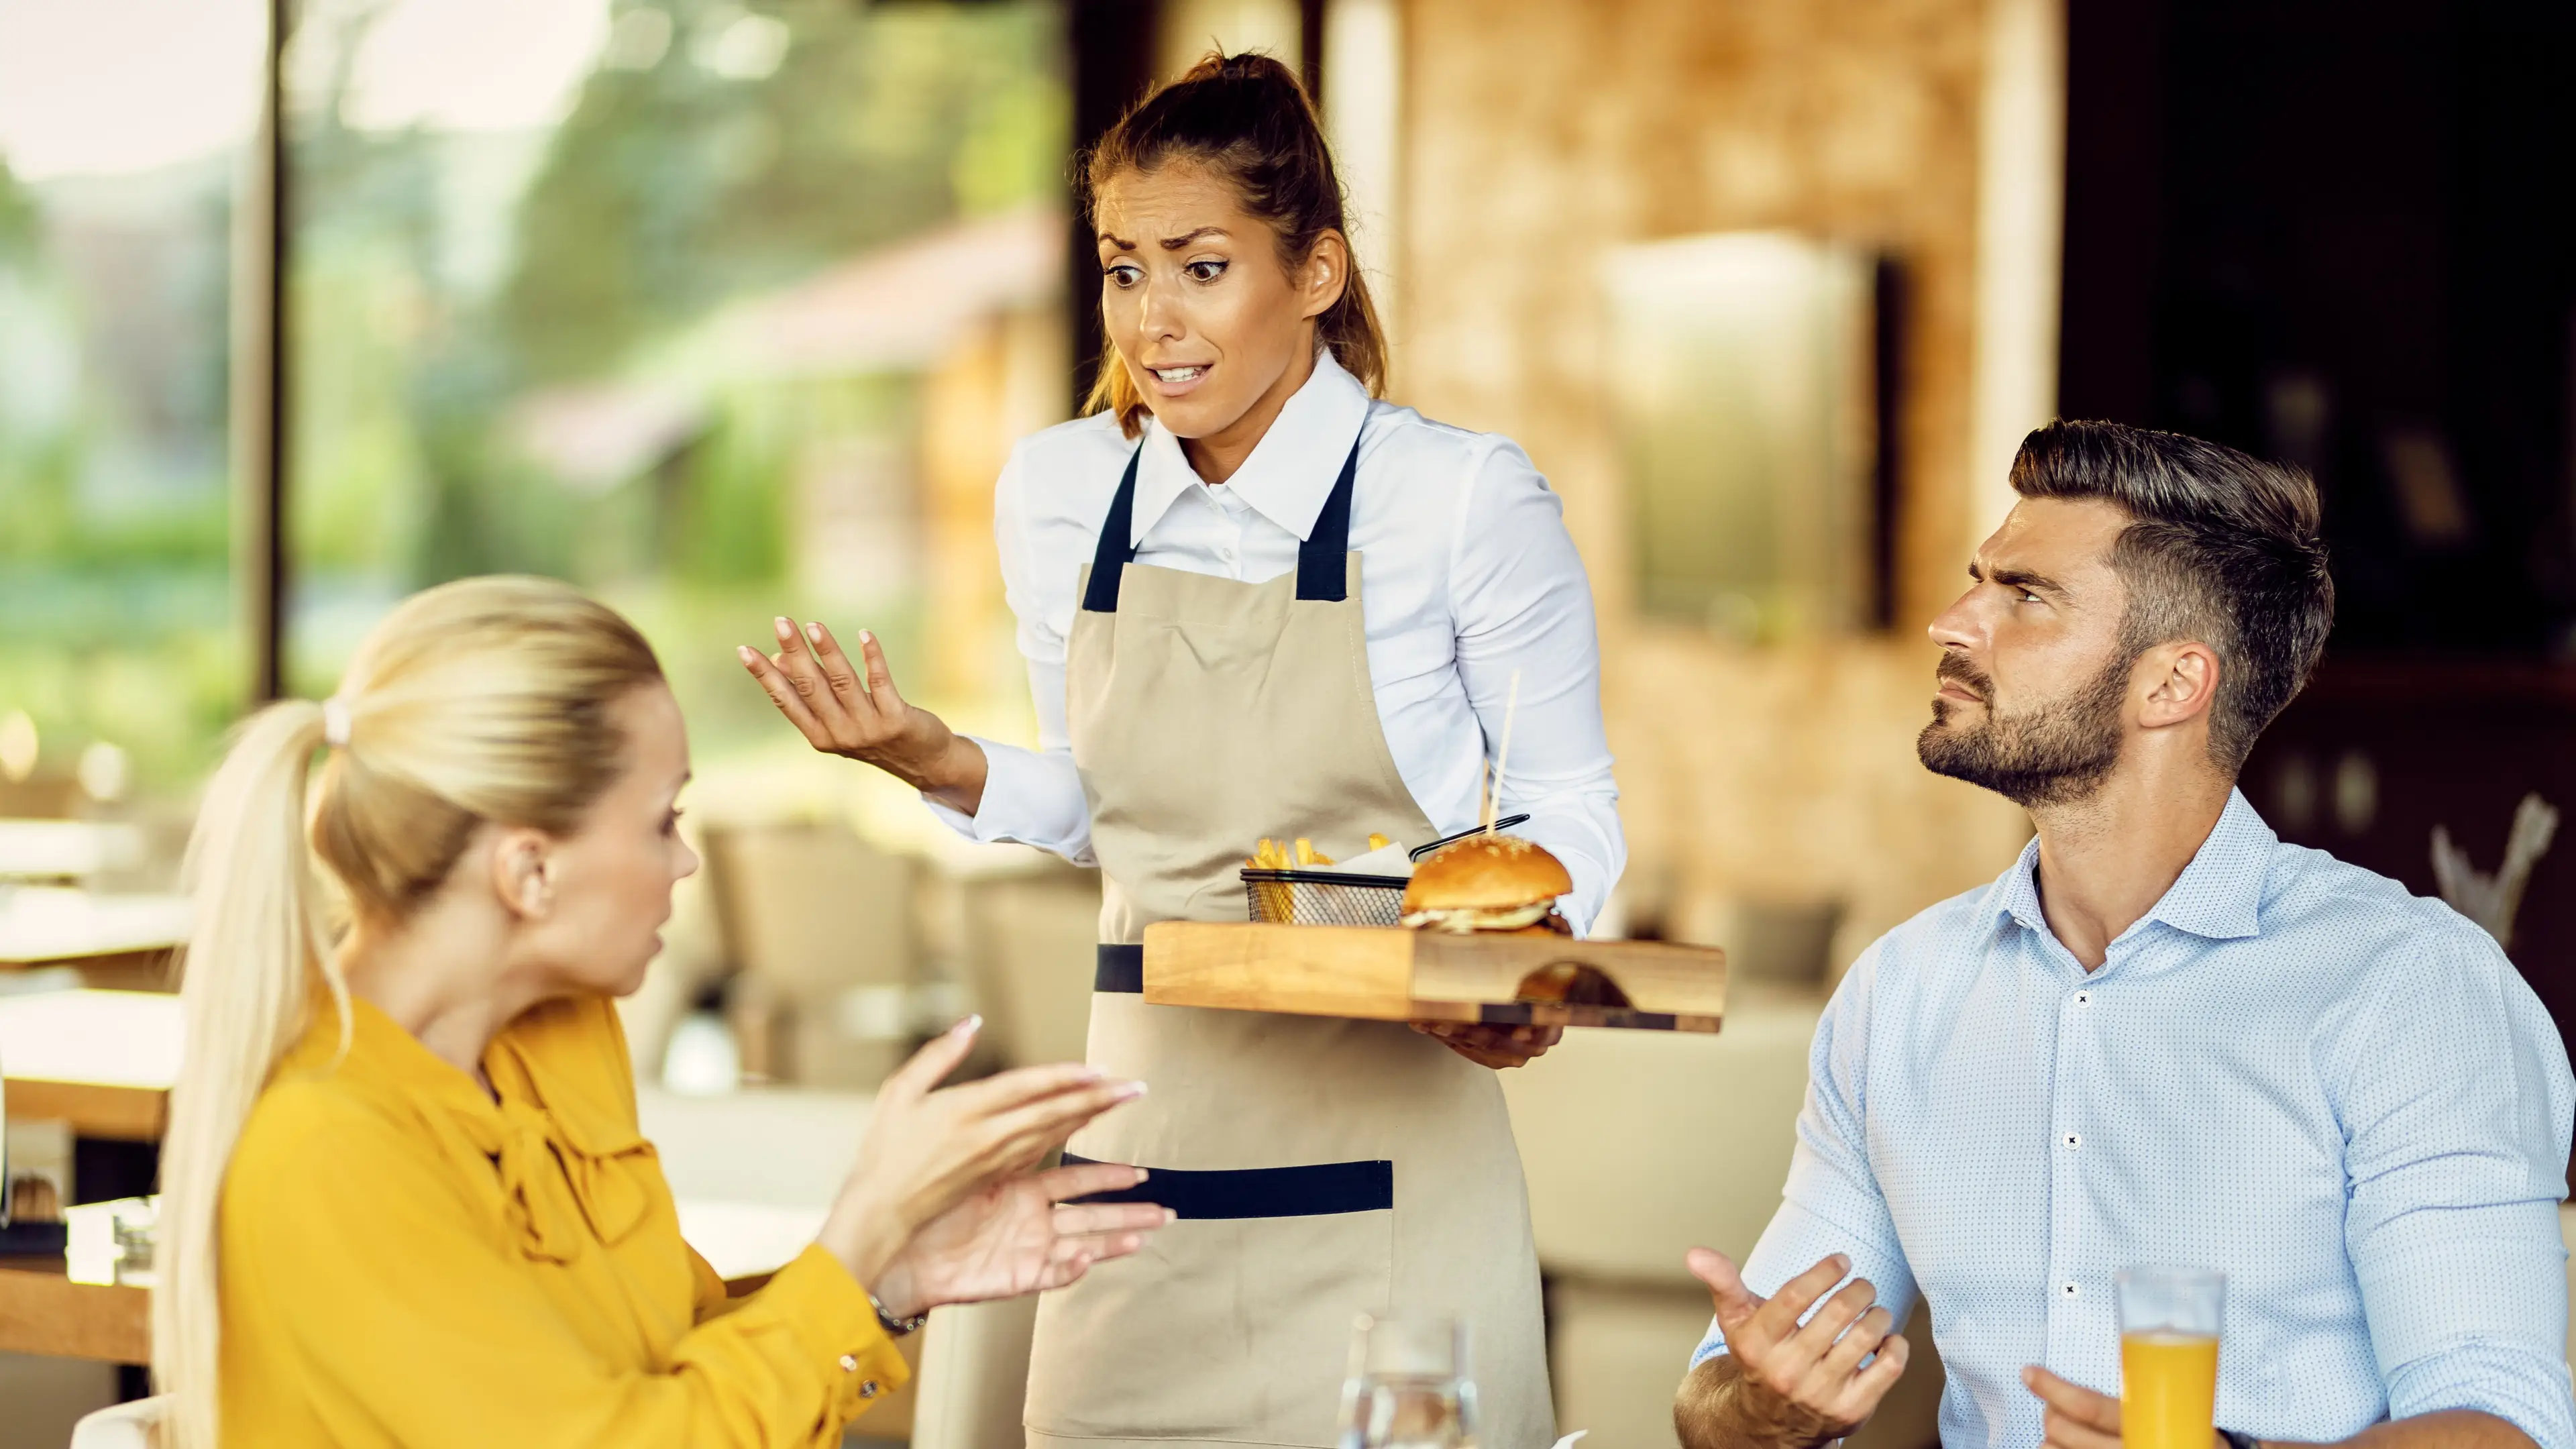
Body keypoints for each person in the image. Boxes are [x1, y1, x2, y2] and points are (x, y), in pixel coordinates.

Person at [738, 52, 1621, 1449]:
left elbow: (1570, 805)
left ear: (1317, 271)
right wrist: (940, 763)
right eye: (1123, 270)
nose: (1156, 321)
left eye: (1202, 268)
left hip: (1396, 1205)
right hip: (1137, 1200)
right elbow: (1121, 818)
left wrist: (1522, 965)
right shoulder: (1060, 491)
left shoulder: (1455, 499)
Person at [1673, 421, 2576, 1449]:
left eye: (2026, 596)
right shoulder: (1902, 991)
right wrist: (1765, 1405)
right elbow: (1717, 1400)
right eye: (1981, 582)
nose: (1951, 623)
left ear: (2172, 685)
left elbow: (2507, 1423)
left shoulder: (2409, 989)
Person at [155, 576, 1171, 1449]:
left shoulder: (553, 1041)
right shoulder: (330, 1152)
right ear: (530, 870)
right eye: (662, 820)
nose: (686, 862)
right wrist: (864, 1223)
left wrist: (890, 1277)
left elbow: (670, 1366)